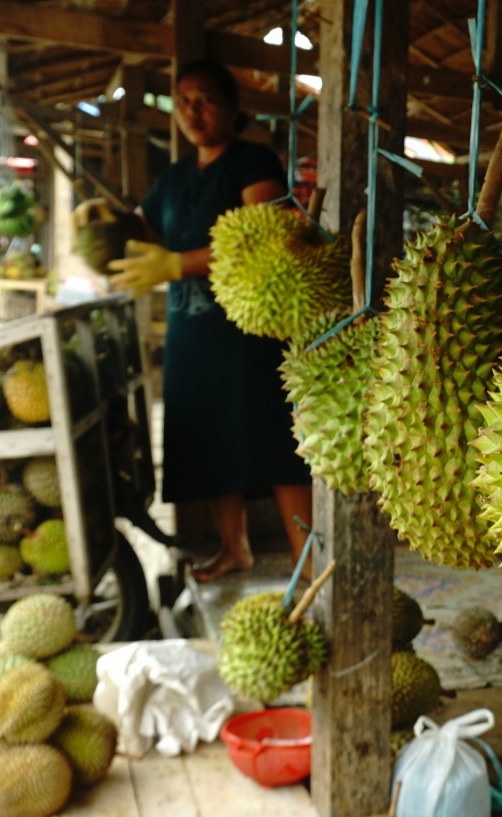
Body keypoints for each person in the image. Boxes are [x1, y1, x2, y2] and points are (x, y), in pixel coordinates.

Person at [109, 59, 312, 582]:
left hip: (248, 333)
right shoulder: (174, 178)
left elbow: (268, 235)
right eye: (182, 101)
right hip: (191, 333)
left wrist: (176, 264)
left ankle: (307, 562)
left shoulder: (252, 163)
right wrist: (99, 223)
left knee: (277, 443)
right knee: (212, 442)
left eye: (205, 100)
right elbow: (144, 228)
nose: (192, 112)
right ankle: (234, 548)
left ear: (232, 109)